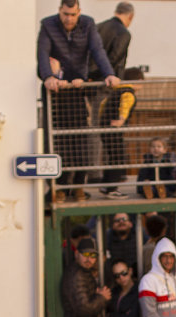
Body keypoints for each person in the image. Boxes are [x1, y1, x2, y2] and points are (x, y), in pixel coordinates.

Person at [37, 0, 119, 202]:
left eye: (73, 15)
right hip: (56, 90)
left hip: (78, 88)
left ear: (79, 12)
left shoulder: (88, 24)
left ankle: (79, 185)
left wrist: (109, 73)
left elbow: (98, 50)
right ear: (59, 11)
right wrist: (49, 77)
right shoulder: (48, 25)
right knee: (57, 140)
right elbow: (42, 53)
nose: (68, 19)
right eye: (65, 14)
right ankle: (60, 186)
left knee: (81, 138)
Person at [96, 67, 140, 196]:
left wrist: (102, 121)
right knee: (118, 157)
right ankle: (112, 189)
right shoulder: (128, 93)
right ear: (138, 80)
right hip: (114, 128)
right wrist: (121, 120)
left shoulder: (116, 91)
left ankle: (106, 185)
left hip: (105, 128)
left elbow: (103, 105)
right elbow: (124, 107)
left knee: (112, 156)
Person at [89, 1, 133, 83]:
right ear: (130, 16)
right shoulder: (124, 34)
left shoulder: (98, 27)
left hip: (89, 80)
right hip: (109, 82)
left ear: (116, 12)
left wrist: (89, 75)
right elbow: (114, 59)